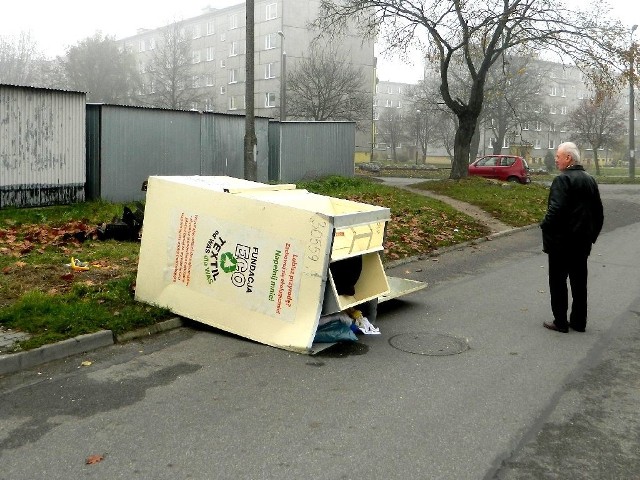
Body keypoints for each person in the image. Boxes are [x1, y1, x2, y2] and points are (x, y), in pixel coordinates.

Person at [540, 142, 604, 333]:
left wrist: (544, 224)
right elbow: (598, 213)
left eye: (559, 156)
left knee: (558, 282)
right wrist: (591, 236)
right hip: (582, 242)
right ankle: (578, 321)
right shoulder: (590, 179)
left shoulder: (562, 180)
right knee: (579, 283)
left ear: (568, 158)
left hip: (561, 242)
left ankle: (560, 322)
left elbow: (556, 209)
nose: (556, 159)